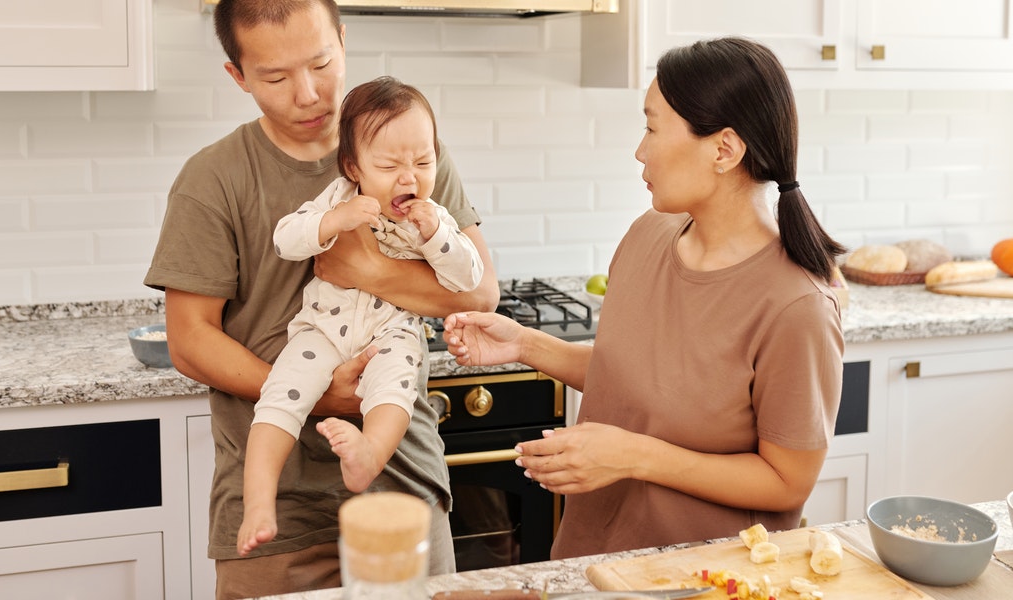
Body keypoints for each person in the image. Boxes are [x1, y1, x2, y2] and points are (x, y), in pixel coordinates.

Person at [143, 0, 499, 596]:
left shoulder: (408, 151)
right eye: (276, 77)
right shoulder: (214, 179)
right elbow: (190, 340)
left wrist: (367, 271)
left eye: (321, 63)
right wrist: (319, 396)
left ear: (343, 40)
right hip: (276, 505)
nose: (308, 94)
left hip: (404, 482)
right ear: (238, 76)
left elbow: (480, 291)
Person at [443, 37, 846, 559]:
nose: (639, 149)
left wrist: (635, 457)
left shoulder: (797, 307)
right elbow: (639, 379)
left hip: (703, 578)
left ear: (723, 149)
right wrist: (524, 345)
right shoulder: (647, 235)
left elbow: (787, 482)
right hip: (591, 559)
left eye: (653, 127)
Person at [237, 76, 484, 557]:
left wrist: (438, 237)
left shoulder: (435, 217)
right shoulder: (338, 198)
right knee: (279, 398)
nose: (409, 177)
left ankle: (370, 455)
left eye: (423, 162)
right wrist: (333, 222)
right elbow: (286, 239)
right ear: (354, 166)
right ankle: (258, 501)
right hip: (323, 329)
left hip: (393, 332)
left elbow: (469, 280)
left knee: (396, 388)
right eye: (389, 165)